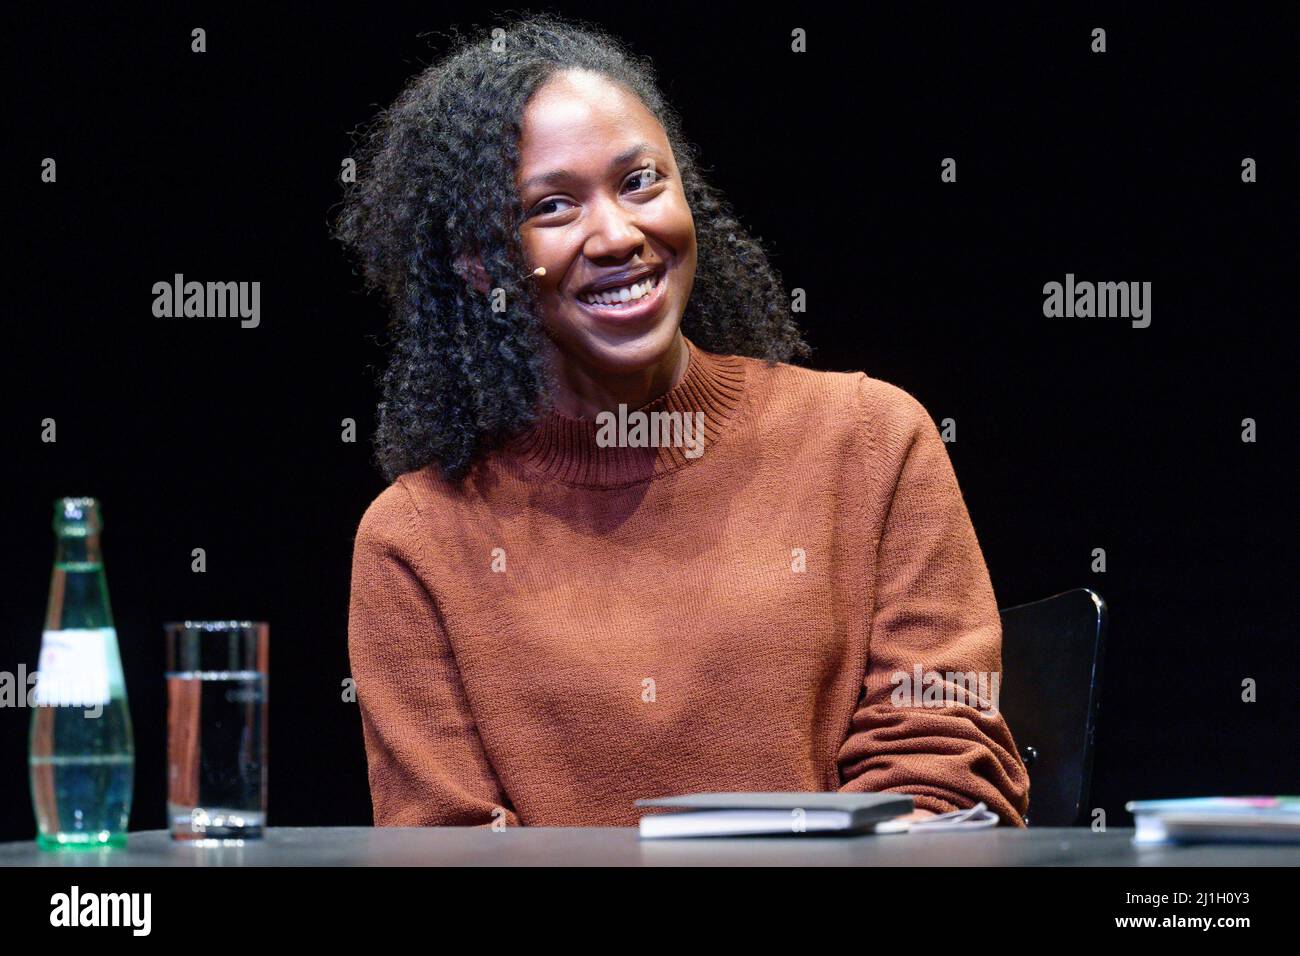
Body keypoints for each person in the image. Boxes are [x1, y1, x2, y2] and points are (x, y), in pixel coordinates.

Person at [336, 13, 1030, 828]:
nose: (619, 234)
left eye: (640, 183)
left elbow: (941, 773)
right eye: (553, 207)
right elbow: (444, 843)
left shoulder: (869, 439)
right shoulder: (416, 537)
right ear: (479, 260)